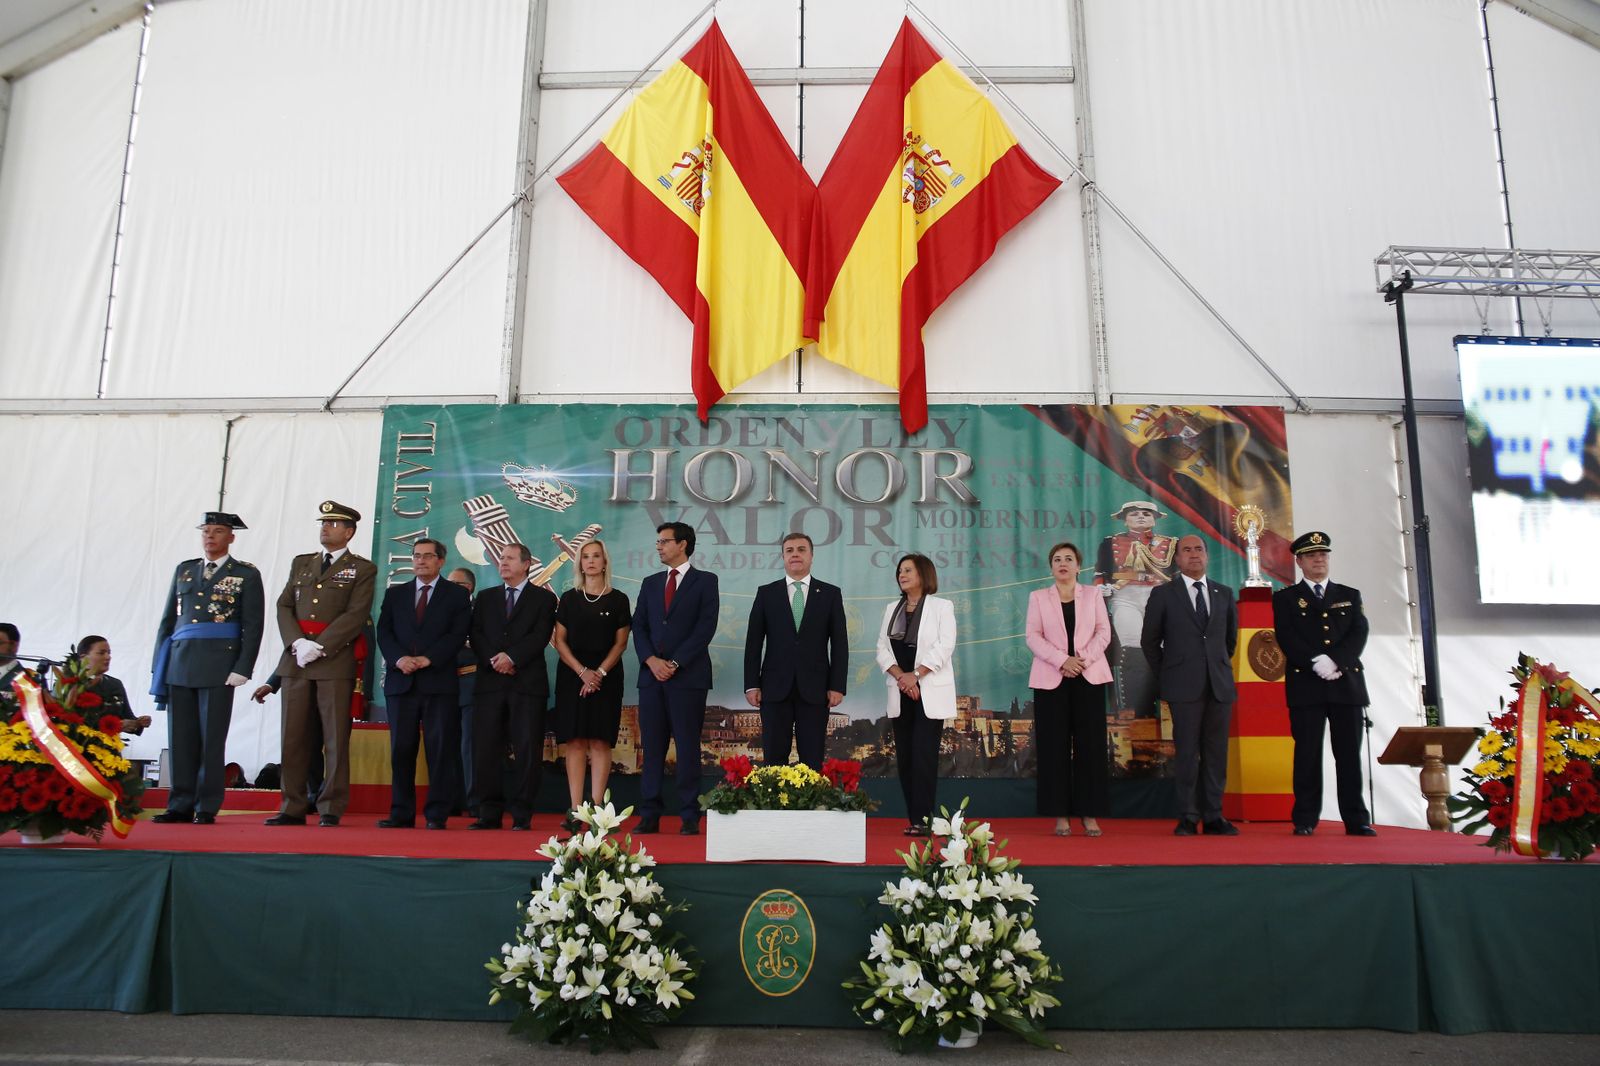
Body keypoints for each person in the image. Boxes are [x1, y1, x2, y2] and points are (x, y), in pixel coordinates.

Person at [265, 500, 377, 828]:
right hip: (297, 660)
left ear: (349, 531)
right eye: (323, 522)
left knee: (335, 739)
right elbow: (285, 605)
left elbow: (356, 614)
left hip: (333, 662)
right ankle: (292, 805)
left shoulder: (362, 568)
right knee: (293, 737)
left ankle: (330, 805)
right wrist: (297, 642)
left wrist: (321, 646)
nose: (325, 528)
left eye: (333, 523)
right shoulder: (302, 563)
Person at [149, 512, 266, 825]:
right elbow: (168, 623)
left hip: (219, 665)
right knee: (181, 739)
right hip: (180, 662)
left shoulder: (245, 574)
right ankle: (180, 804)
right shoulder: (185, 570)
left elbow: (253, 625)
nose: (210, 537)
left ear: (231, 538)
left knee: (211, 739)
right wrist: (158, 665)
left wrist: (243, 667)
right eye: (206, 531)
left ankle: (206, 805)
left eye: (217, 532)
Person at [1272, 531, 1376, 837]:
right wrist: (1316, 662)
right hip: (1307, 685)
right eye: (1313, 556)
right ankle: (1305, 818)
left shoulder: (1349, 594)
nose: (1320, 560)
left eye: (1324, 555)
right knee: (1307, 754)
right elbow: (1287, 637)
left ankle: (1356, 819)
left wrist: (1336, 662)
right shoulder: (1286, 598)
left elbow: (1358, 633)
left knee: (1348, 756)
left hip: (1346, 684)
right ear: (1300, 561)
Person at [1140, 534, 1239, 836]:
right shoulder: (1164, 594)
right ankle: (1187, 815)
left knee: (1216, 754)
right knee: (1186, 754)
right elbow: (1149, 641)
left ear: (1207, 556)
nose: (1194, 555)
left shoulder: (1224, 593)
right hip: (1183, 687)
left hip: (1218, 686)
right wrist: (1169, 674)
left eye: (1199, 550)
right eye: (1187, 550)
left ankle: (1213, 816)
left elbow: (1229, 641)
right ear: (1177, 559)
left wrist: (1215, 667)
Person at [375, 538, 472, 830]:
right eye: (416, 556)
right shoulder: (396, 594)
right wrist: (398, 659)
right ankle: (401, 812)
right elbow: (384, 632)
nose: (420, 561)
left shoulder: (455, 595)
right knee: (401, 749)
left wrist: (430, 659)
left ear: (440, 561)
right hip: (401, 681)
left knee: (439, 749)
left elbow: (458, 634)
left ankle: (436, 813)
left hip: (438, 682)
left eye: (427, 557)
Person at [631, 521, 719, 836]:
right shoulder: (650, 583)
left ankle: (689, 815)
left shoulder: (706, 581)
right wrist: (652, 661)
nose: (658, 546)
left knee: (687, 746)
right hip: (651, 678)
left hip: (688, 678)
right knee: (652, 748)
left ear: (682, 544)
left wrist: (675, 662)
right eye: (657, 542)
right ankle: (650, 814)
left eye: (664, 541)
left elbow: (705, 628)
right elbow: (638, 626)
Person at [1025, 542, 1113, 837]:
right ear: (1051, 567)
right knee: (1053, 748)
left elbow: (1104, 632)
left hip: (1088, 676)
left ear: (1078, 566)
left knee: (1090, 747)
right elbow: (1033, 637)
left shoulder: (1093, 595)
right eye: (1057, 560)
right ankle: (1059, 814)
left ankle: (1089, 813)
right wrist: (1063, 660)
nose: (1063, 563)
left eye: (1069, 559)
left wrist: (1081, 660)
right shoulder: (1038, 597)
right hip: (1052, 678)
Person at [467, 544, 557, 830]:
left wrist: (512, 657)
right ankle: (489, 812)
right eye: (500, 558)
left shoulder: (543, 599)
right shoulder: (485, 597)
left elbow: (540, 635)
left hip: (526, 684)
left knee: (527, 749)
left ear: (526, 564)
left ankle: (522, 813)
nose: (502, 563)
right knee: (486, 749)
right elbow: (476, 634)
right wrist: (495, 660)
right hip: (490, 684)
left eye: (509, 559)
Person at [743, 532, 848, 768]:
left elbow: (840, 644)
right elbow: (753, 643)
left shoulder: (830, 594)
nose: (795, 554)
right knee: (774, 758)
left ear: (811, 556)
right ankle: (773, 805)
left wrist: (837, 686)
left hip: (816, 689)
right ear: (783, 557)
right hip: (773, 688)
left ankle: (809, 805)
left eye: (801, 549)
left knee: (812, 759)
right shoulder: (766, 593)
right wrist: (752, 684)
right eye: (789, 550)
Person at [875, 553, 957, 837]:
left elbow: (945, 647)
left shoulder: (942, 607)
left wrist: (916, 675)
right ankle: (914, 818)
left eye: (908, 570)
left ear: (923, 574)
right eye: (900, 570)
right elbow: (882, 650)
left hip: (928, 692)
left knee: (924, 757)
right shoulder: (890, 609)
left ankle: (924, 818)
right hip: (901, 692)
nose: (902, 574)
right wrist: (902, 677)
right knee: (906, 759)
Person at [551, 539, 631, 829]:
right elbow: (559, 641)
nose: (591, 561)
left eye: (596, 556)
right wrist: (583, 672)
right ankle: (575, 810)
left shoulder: (619, 599)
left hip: (606, 677)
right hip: (573, 676)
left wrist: (598, 674)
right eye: (586, 557)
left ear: (605, 562)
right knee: (574, 741)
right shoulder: (569, 599)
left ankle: (597, 810)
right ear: (580, 563)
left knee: (599, 740)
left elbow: (620, 643)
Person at [1094, 500, 1176, 725]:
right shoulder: (1110, 543)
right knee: (1133, 644)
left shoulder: (1170, 544)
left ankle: (1163, 700)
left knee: (1160, 645)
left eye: (1146, 514)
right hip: (1125, 595)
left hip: (1158, 596)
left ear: (1154, 518)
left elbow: (1175, 575)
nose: (1141, 517)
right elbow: (1100, 572)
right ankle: (1136, 707)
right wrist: (1101, 587)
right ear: (1125, 518)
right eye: (1134, 514)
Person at [447, 566, 478, 813]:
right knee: (445, 743)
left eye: (454, 584)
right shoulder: (440, 609)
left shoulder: (481, 610)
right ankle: (450, 800)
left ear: (467, 587)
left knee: (470, 745)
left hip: (470, 683)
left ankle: (473, 800)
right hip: (442, 685)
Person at [77, 635, 152, 735]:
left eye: (109, 653)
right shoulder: (71, 685)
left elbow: (127, 717)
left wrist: (139, 722)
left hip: (110, 747)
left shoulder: (115, 684)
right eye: (101, 653)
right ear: (83, 658)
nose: (108, 657)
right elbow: (69, 724)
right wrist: (116, 725)